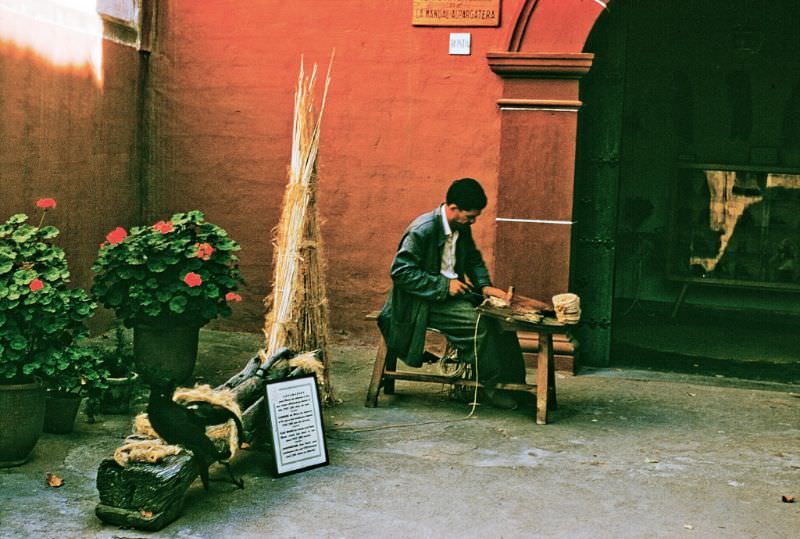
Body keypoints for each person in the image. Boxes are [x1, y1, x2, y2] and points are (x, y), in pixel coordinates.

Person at [378, 178, 526, 409]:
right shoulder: (423, 229)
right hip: (422, 301)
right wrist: (444, 286)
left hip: (449, 296)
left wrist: (485, 286)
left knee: (503, 321)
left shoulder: (461, 226)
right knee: (479, 325)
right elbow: (401, 272)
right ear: (453, 207)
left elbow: (474, 260)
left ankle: (516, 385)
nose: (474, 221)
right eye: (471, 216)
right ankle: (491, 388)